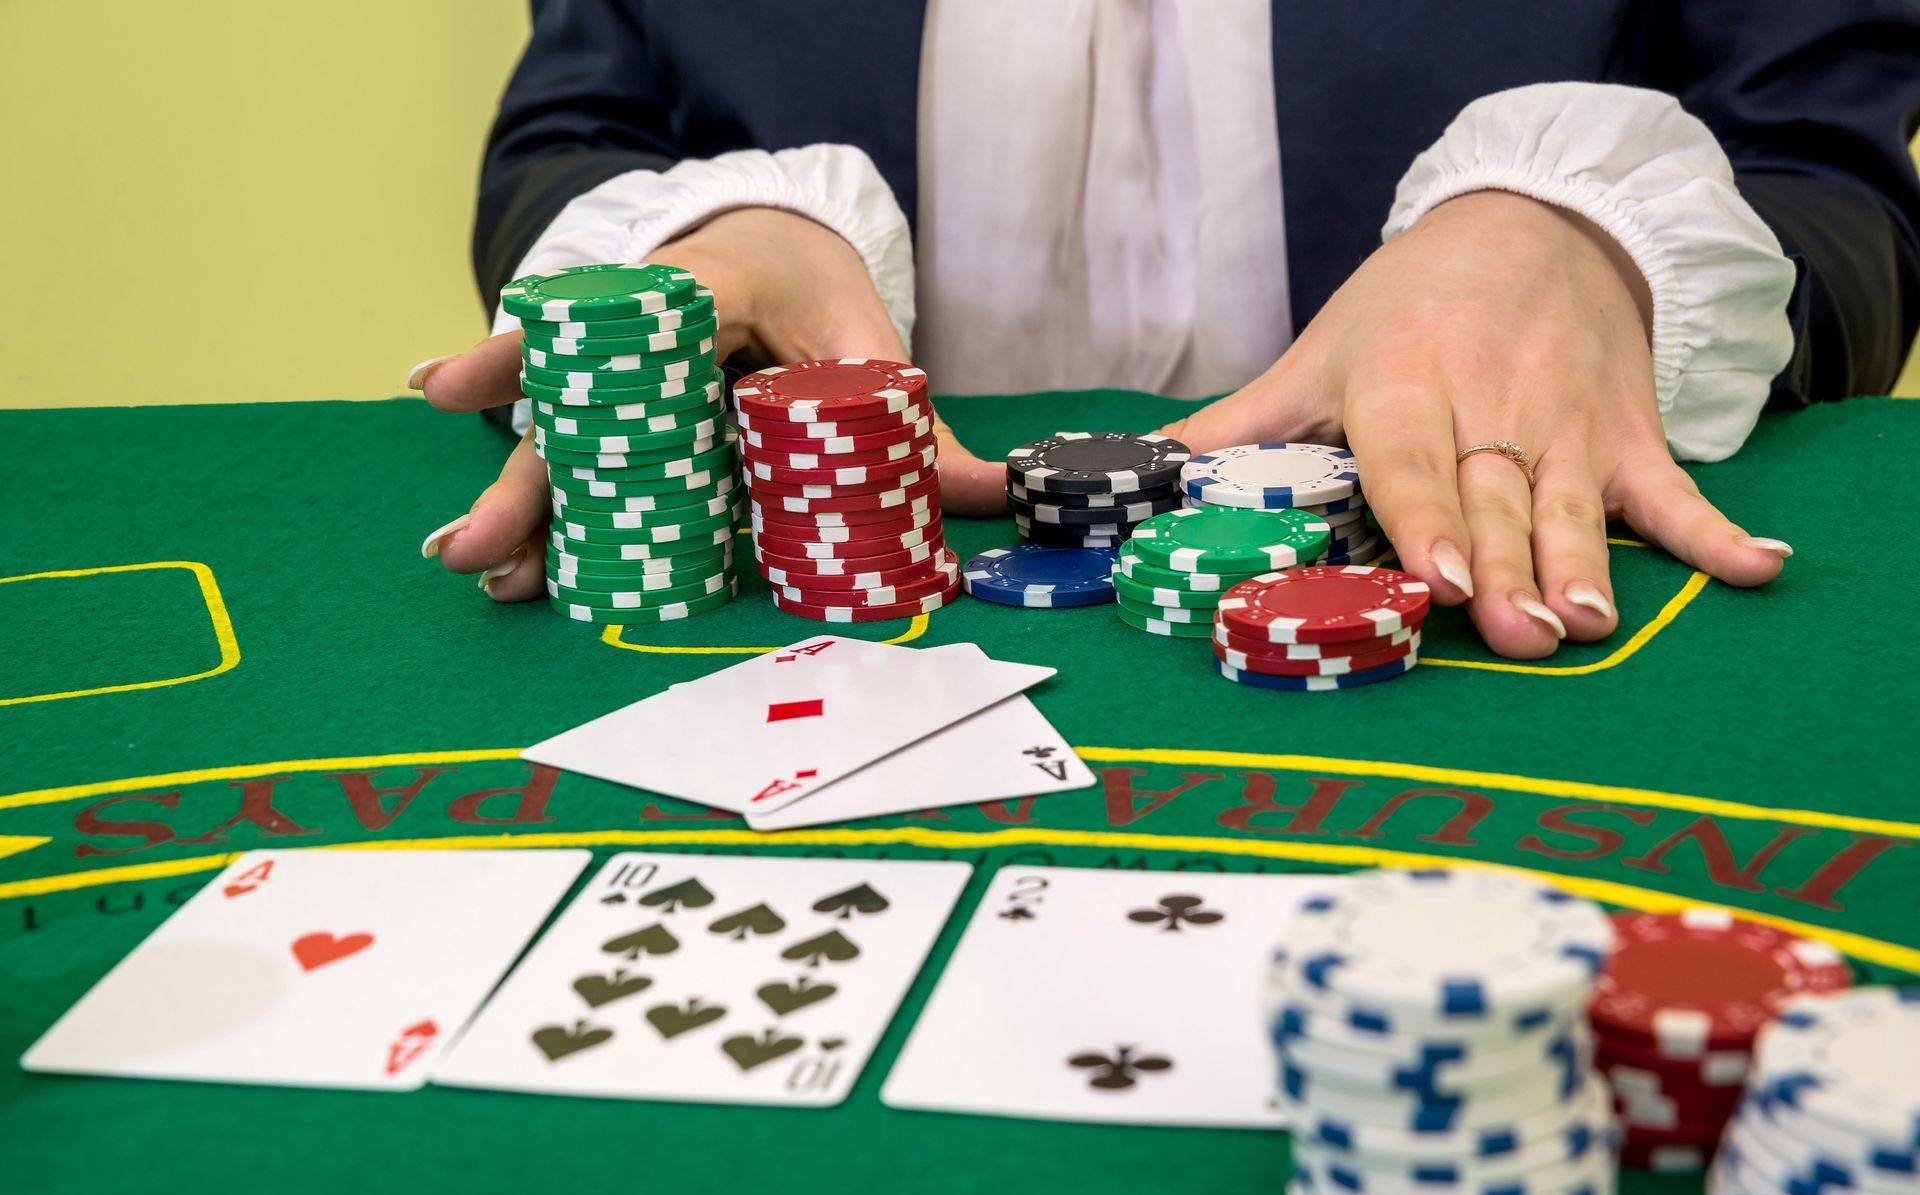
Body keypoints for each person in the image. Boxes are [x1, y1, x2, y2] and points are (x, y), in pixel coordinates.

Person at [413, 1, 1920, 660]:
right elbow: (576, 133)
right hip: (837, 616)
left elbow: (1824, 164)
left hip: (1448, 618)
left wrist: (1592, 244)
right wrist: (701, 241)